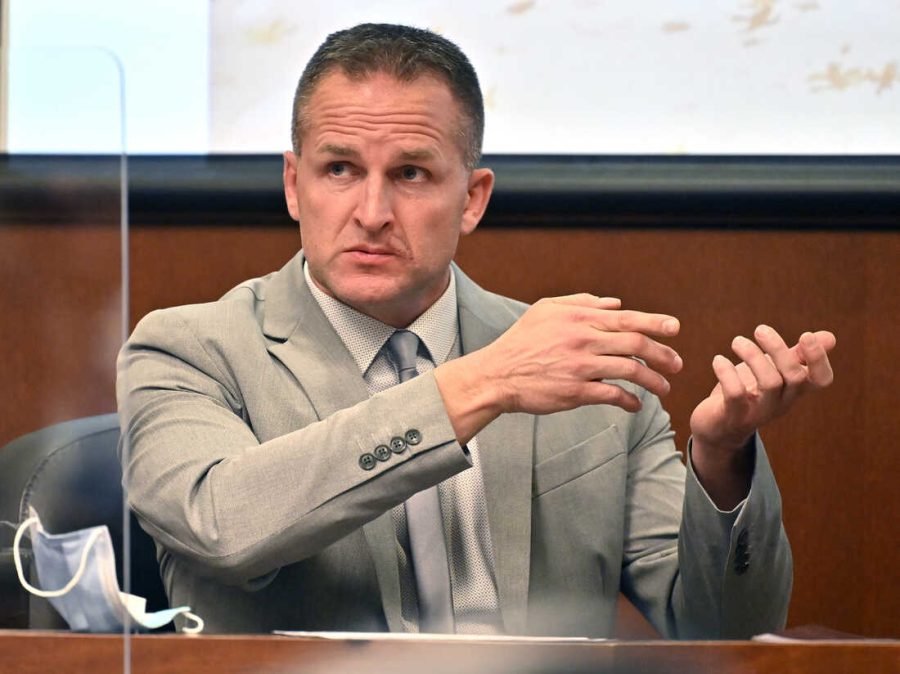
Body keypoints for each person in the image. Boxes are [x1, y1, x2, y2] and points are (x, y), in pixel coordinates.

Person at [117, 23, 835, 637]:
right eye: (339, 169)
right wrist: (480, 384)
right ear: (292, 184)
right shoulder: (188, 351)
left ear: (472, 198)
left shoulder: (580, 365)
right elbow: (223, 523)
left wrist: (720, 458)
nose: (371, 210)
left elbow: (726, 631)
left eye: (411, 174)